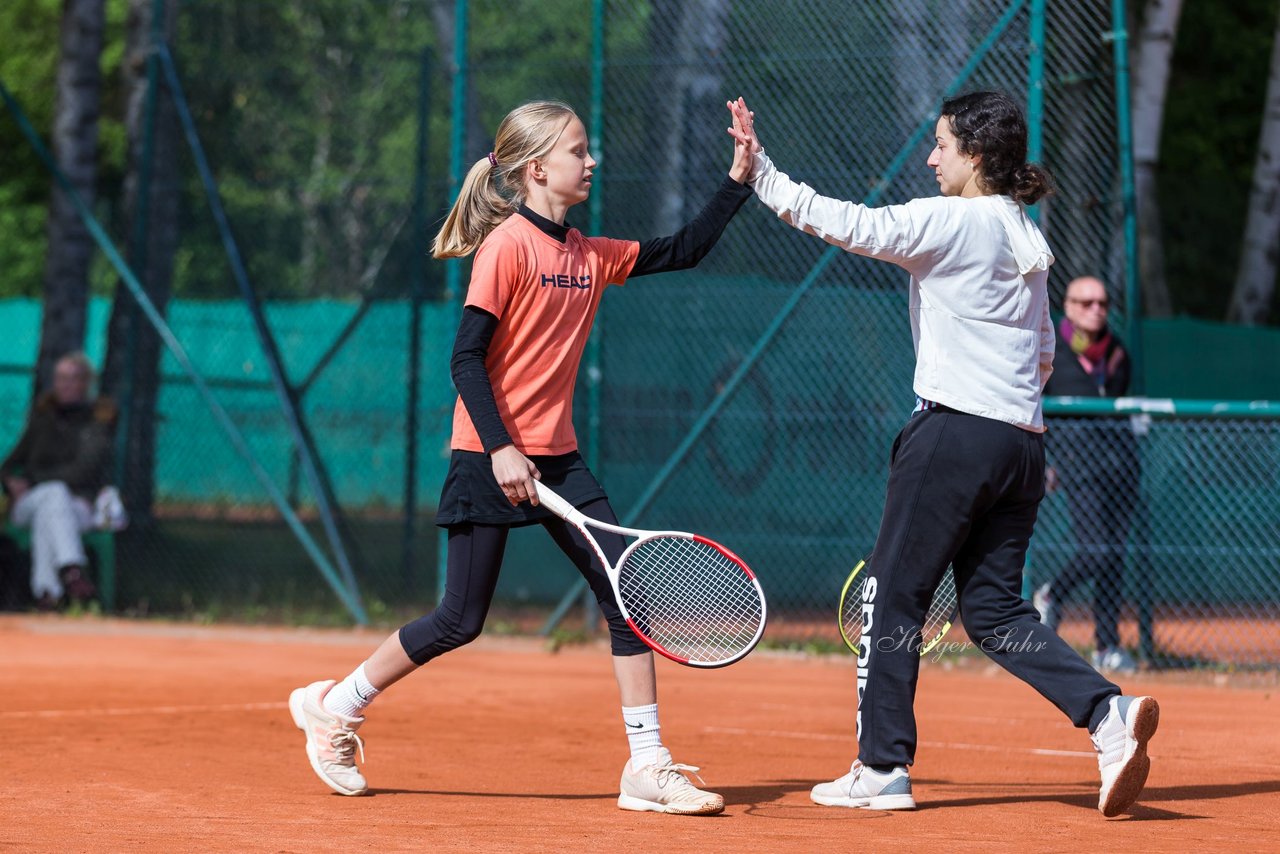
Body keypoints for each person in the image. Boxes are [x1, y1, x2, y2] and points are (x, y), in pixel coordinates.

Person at [289, 100, 755, 814]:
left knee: (626, 601)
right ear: (538, 168)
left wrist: (738, 178)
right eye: (578, 150)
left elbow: (685, 248)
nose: (590, 161)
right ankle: (338, 707)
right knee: (459, 619)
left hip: (559, 461)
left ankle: (647, 766)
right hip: (488, 456)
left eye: (588, 149)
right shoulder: (506, 245)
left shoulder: (591, 254)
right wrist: (501, 449)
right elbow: (466, 358)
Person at [727, 92, 1158, 817]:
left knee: (891, 597)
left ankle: (881, 767)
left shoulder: (953, 220)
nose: (931, 158)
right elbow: (1046, 353)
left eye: (941, 145)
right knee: (994, 614)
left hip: (953, 435)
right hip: (1020, 443)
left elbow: (848, 224)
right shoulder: (1025, 233)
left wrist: (761, 171)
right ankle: (1106, 716)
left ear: (977, 156)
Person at [1034, 276, 1141, 674]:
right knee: (1096, 549)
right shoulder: (1051, 350)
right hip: (1079, 465)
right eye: (1087, 302)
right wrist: (1047, 460)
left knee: (1114, 556)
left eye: (1102, 302)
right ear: (1070, 306)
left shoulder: (1116, 353)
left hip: (1122, 465)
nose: (1097, 309)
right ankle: (1051, 594)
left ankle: (1107, 646)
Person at [1, 351, 117, 609]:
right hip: (29, 504)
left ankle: (47, 592)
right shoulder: (42, 420)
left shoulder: (97, 422)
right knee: (53, 494)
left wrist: (33, 481)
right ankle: (72, 569)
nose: (65, 384)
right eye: (61, 378)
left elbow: (83, 471)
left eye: (73, 378)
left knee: (51, 506)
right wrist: (11, 482)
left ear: (85, 383)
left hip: (78, 507)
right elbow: (8, 465)